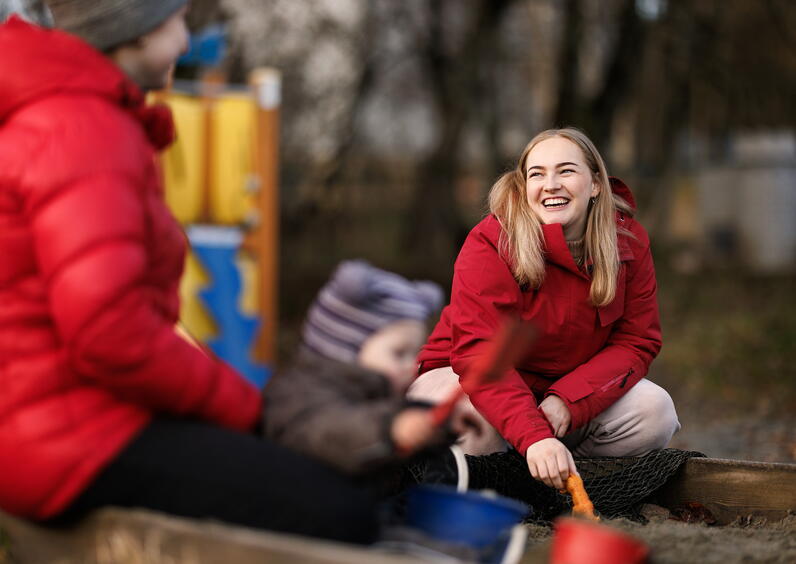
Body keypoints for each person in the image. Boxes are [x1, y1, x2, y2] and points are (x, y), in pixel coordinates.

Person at [0, 1, 377, 543]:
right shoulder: (85, 128)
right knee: (340, 511)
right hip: (68, 441)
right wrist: (248, 410)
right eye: (177, 20)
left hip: (49, 425)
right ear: (133, 30)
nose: (184, 40)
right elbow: (111, 333)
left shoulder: (61, 114)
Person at [409, 128, 680, 491]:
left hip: (561, 391)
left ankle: (562, 484)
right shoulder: (490, 241)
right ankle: (490, 481)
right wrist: (534, 435)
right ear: (524, 187)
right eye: (537, 174)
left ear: (595, 184)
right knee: (472, 418)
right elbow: (480, 355)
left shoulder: (627, 242)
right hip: (466, 379)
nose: (551, 185)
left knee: (655, 411)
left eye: (566, 170)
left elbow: (636, 341)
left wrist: (569, 401)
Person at [263, 260, 459, 475]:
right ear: (345, 346)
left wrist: (438, 424)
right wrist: (390, 429)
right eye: (398, 353)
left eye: (414, 354)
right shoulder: (299, 391)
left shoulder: (378, 396)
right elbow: (328, 433)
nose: (410, 365)